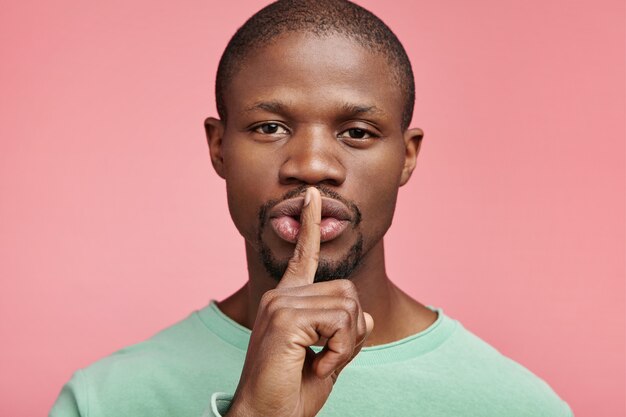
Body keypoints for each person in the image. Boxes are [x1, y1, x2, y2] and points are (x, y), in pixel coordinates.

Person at [50, 1, 573, 416]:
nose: (313, 164)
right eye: (270, 127)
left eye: (357, 133)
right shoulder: (104, 401)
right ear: (219, 147)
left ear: (406, 157)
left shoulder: (518, 406)